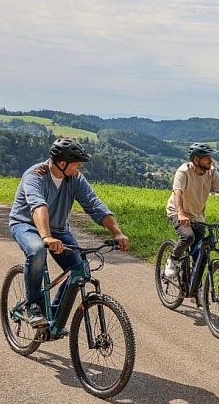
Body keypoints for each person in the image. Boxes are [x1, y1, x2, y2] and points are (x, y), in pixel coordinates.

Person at [8, 138, 129, 327]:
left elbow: (94, 204)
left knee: (81, 268)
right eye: (76, 164)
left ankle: (53, 315)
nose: (79, 168)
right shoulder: (35, 176)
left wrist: (117, 232)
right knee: (38, 250)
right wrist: (47, 237)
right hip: (26, 225)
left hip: (59, 229)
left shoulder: (75, 179)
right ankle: (31, 305)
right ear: (62, 163)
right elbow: (38, 206)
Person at [165, 142, 219, 279]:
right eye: (207, 158)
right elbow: (177, 192)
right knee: (188, 237)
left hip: (197, 216)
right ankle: (172, 259)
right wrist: (181, 213)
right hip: (177, 211)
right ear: (196, 160)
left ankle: (195, 289)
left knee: (201, 254)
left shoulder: (212, 172)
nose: (211, 161)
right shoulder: (183, 171)